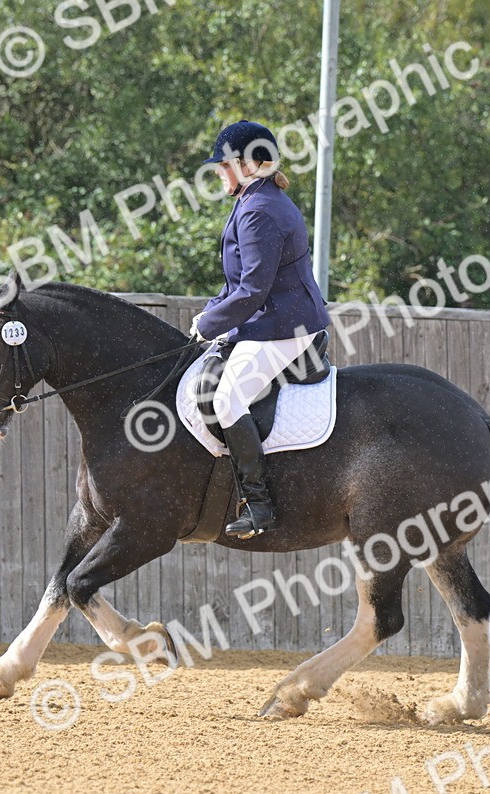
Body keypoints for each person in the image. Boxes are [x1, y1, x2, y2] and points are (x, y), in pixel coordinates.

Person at [191, 120, 331, 539]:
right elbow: (237, 283)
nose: (218, 172)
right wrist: (210, 315)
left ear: (247, 165)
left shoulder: (260, 212)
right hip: (273, 320)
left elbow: (252, 290)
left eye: (223, 165)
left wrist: (211, 324)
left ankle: (258, 503)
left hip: (284, 328)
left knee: (227, 398)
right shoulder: (256, 200)